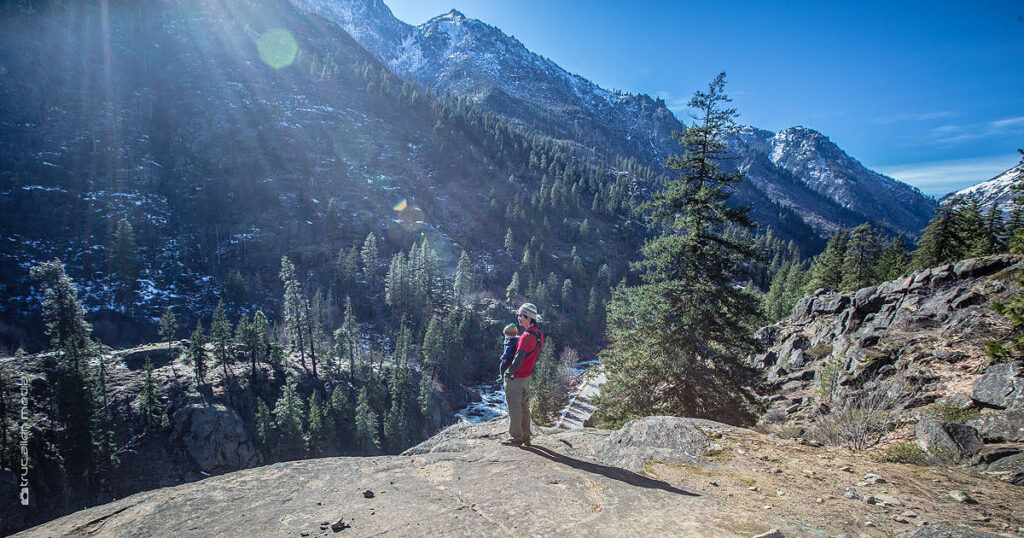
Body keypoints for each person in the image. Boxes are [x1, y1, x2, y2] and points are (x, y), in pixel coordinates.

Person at [501, 303, 544, 446]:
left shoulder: (525, 337)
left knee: (514, 408)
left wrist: (508, 372)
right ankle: (526, 435)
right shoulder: (538, 334)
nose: (518, 318)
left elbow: (518, 359)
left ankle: (515, 437)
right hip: (527, 377)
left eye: (520, 315)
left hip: (517, 378)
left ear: (528, 317)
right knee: (524, 407)